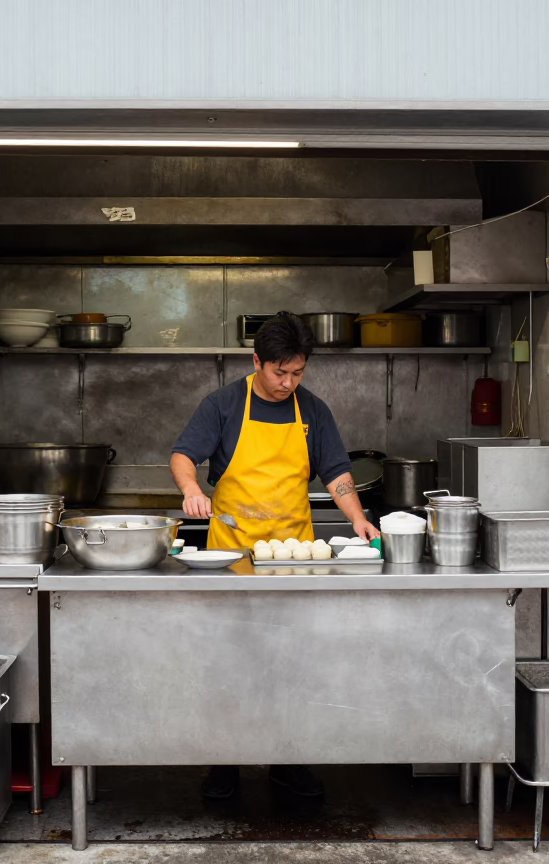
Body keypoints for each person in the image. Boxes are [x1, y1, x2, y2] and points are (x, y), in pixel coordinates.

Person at [170, 311, 380, 799]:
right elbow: (183, 454)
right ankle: (224, 766)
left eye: (297, 373)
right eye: (279, 372)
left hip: (294, 560)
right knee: (229, 669)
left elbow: (336, 471)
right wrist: (190, 488)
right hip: (232, 560)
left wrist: (357, 518)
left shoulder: (312, 411)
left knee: (294, 666)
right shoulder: (223, 405)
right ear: (256, 361)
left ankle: (290, 763)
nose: (288, 383)